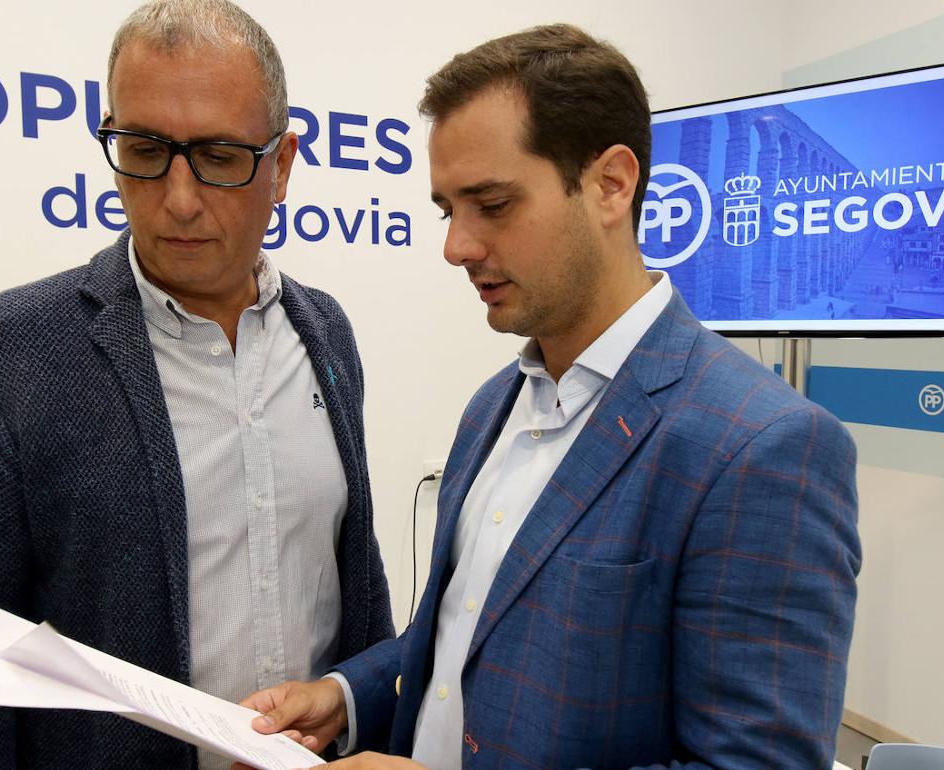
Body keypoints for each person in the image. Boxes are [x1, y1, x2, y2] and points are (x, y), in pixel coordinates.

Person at [241, 24, 860, 770]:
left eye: (493, 204)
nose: (456, 247)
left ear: (611, 185)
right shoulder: (492, 407)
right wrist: (347, 696)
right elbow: (470, 632)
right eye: (447, 210)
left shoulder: (763, 447)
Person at [0, 1, 393, 768]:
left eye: (220, 156)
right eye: (145, 150)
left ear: (283, 165)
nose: (179, 199)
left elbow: (357, 588)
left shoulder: (325, 333)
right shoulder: (4, 354)